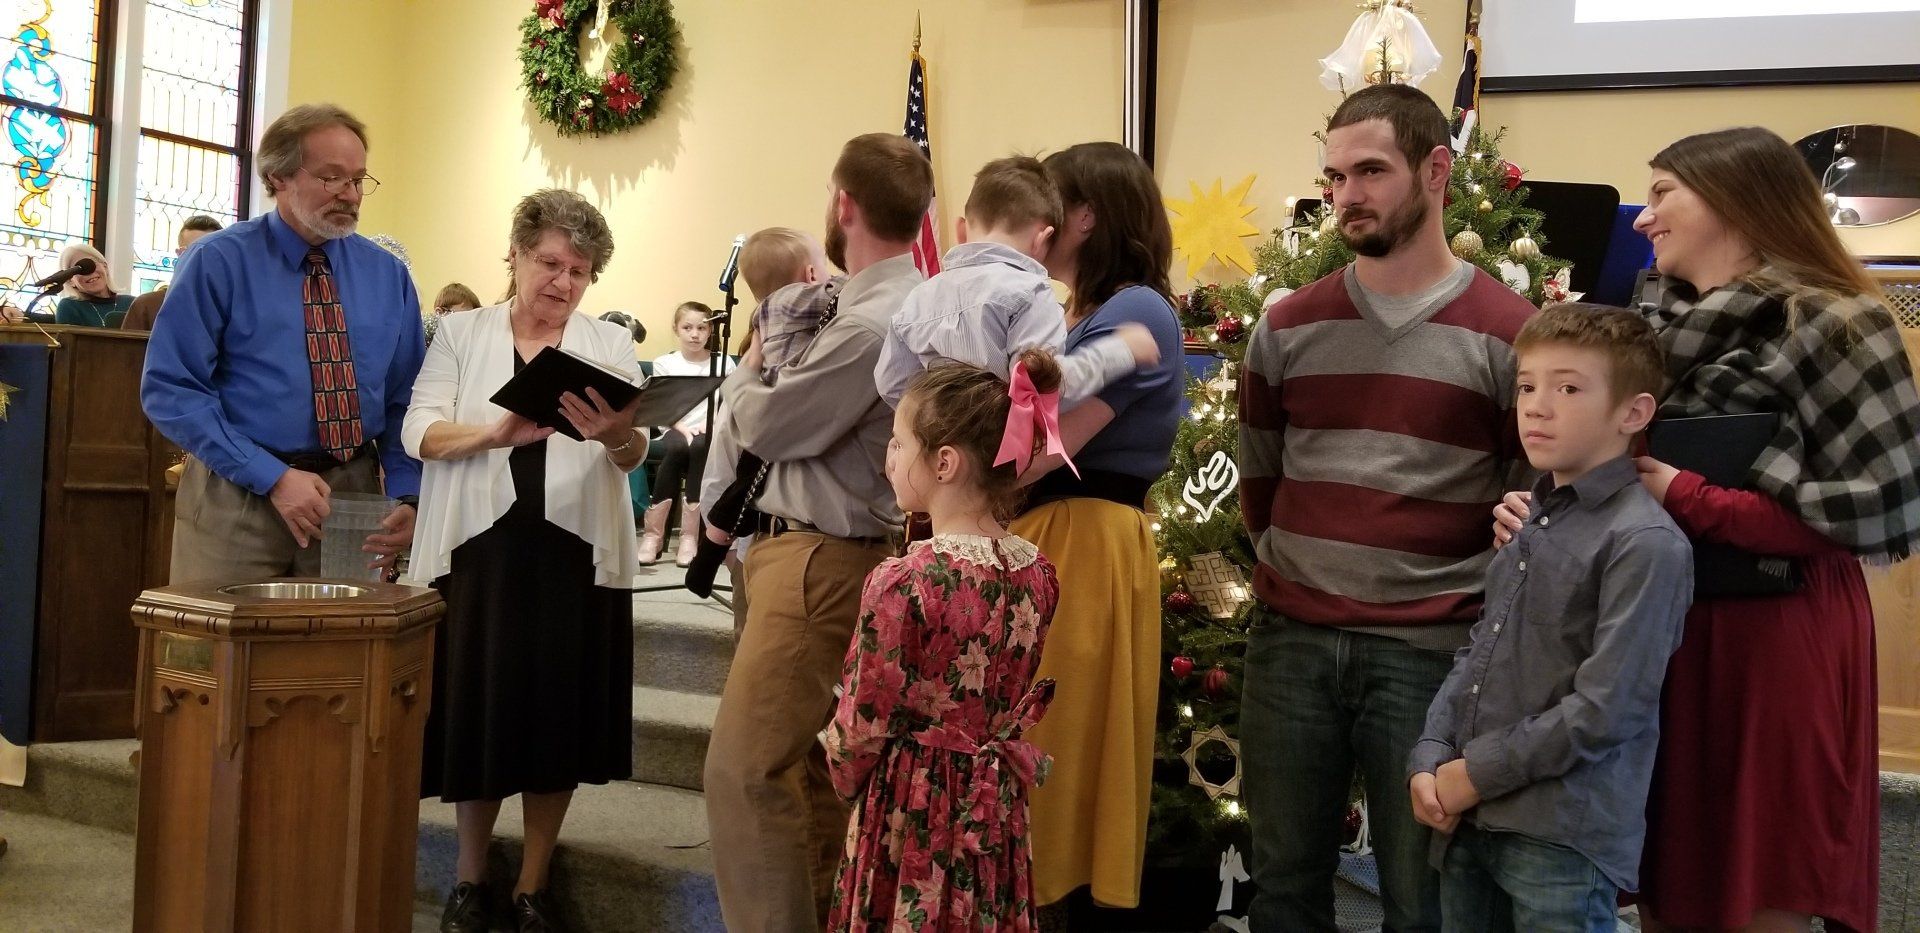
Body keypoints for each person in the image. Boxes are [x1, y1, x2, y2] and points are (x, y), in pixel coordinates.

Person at [1494, 126, 1920, 933]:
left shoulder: (1837, 323)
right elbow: (1593, 463)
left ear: (1732, 200)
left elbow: (1869, 509)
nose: (1642, 220)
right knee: (1671, 869)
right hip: (1656, 628)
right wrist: (1536, 503)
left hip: (1774, 641)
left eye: (1660, 194)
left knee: (1763, 878)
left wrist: (1683, 492)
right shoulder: (1643, 331)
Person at [1236, 83, 1538, 933]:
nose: (1346, 196)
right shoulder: (1288, 326)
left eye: (1370, 171)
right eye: (1334, 177)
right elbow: (1260, 480)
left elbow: (1528, 501)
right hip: (1291, 643)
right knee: (1285, 884)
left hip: (1431, 653)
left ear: (1437, 170)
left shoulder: (1509, 333)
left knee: (1423, 896)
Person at [702, 132, 931, 933]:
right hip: (801, 552)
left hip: (818, 557)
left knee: (743, 771)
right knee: (800, 769)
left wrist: (750, 366)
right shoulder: (872, 303)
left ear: (842, 203)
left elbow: (770, 423)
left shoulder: (873, 320)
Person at [403, 189, 645, 933]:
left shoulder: (607, 342)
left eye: (580, 271)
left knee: (556, 715)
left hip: (574, 551)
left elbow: (634, 451)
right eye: (550, 263)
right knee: (478, 710)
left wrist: (613, 435)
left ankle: (533, 882)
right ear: (514, 253)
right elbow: (420, 431)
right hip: (481, 549)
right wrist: (493, 435)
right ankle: (471, 877)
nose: (563, 283)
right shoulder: (460, 332)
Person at [1409, 305, 1691, 931]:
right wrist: (1431, 752)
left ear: (1633, 414)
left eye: (1567, 388)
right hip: (1473, 819)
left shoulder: (1645, 542)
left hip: (1560, 834)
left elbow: (1606, 710)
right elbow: (1479, 650)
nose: (1537, 406)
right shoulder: (1530, 518)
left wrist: (1473, 775)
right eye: (1527, 386)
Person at [999, 141, 1183, 921]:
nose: (1034, 224)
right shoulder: (1082, 312)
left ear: (1083, 216)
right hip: (1060, 535)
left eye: (1047, 204)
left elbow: (1037, 453)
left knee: (1059, 753)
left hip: (1083, 540)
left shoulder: (1136, 309)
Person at [825, 350, 1065, 932]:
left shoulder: (905, 579)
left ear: (945, 463)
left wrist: (845, 774)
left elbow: (863, 721)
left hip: (913, 807)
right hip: (995, 804)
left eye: (899, 444)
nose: (889, 456)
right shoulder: (1038, 572)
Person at [142, 103, 422, 585]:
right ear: (277, 178)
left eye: (358, 180)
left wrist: (409, 493)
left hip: (352, 495)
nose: (349, 195)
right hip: (237, 493)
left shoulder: (387, 275)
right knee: (217, 652)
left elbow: (407, 398)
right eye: (331, 178)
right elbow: (171, 389)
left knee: (343, 653)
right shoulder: (218, 262)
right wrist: (270, 476)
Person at [873, 155, 1158, 408]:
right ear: (1043, 238)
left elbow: (890, 382)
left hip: (933, 453)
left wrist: (937, 417)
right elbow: (1044, 388)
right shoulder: (1030, 293)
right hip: (995, 459)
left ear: (962, 228)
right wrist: (1120, 352)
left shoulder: (918, 296)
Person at [688, 227, 840, 603]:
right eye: (822, 265)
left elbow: (719, 474)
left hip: (759, 539)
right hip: (782, 543)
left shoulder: (758, 343)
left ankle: (710, 550)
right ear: (809, 275)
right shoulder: (811, 309)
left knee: (743, 479)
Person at [639, 300, 734, 566]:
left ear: (710, 331)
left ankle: (690, 537)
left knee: (700, 446)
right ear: (676, 329)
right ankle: (652, 536)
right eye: (688, 327)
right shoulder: (664, 363)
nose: (695, 334)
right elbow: (662, 406)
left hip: (709, 430)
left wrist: (712, 423)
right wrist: (681, 427)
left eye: (702, 328)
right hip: (674, 428)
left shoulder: (723, 363)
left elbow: (732, 402)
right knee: (679, 447)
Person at [121, 215, 224, 331]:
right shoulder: (146, 306)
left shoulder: (232, 310)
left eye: (208, 252)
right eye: (192, 251)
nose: (199, 259)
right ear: (179, 254)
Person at [52, 243, 134, 327]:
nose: (89, 271)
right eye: (79, 268)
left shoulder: (134, 304)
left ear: (105, 266)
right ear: (70, 281)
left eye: (91, 264)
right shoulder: (69, 307)